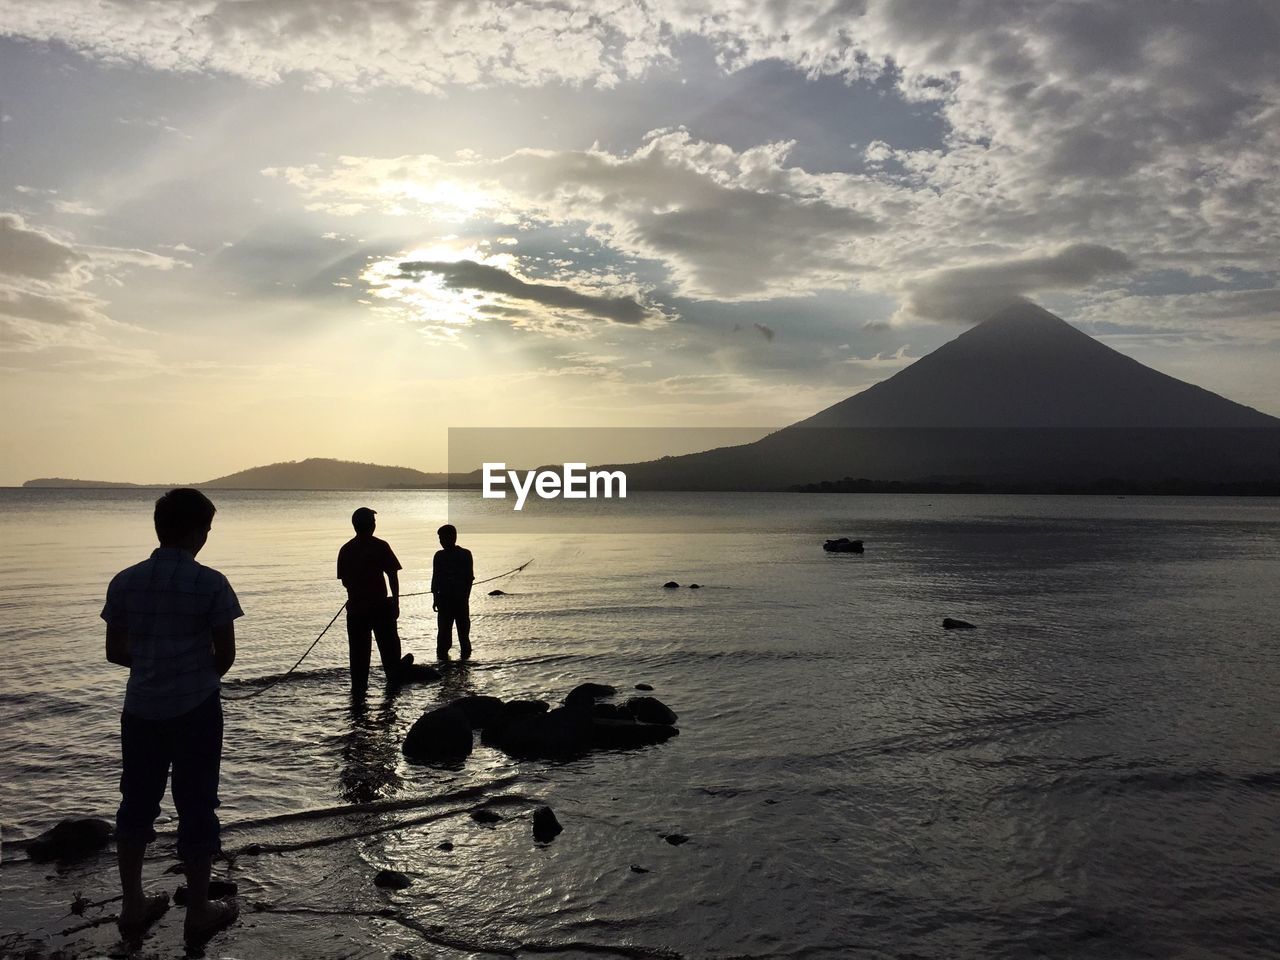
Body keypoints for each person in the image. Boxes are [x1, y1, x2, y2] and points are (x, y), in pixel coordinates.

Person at [102, 488, 240, 946]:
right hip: (196, 708)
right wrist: (195, 675)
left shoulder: (124, 581)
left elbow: (114, 652)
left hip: (140, 708)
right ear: (197, 532)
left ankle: (132, 904)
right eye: (206, 529)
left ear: (160, 528)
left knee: (136, 801)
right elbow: (226, 655)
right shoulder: (211, 583)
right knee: (197, 803)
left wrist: (154, 667)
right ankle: (198, 911)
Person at [337, 507, 403, 693]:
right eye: (374, 522)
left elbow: (345, 582)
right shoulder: (380, 546)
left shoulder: (346, 549)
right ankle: (392, 699)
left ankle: (358, 700)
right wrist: (396, 602)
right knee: (390, 657)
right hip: (380, 608)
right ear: (371, 525)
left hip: (356, 610)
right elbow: (392, 576)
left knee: (358, 660)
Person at [431, 523, 474, 659]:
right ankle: (444, 663)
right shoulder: (439, 556)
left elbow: (469, 579)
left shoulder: (465, 554)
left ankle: (463, 664)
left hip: (459, 601)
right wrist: (435, 598)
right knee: (444, 637)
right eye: (440, 539)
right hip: (445, 601)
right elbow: (435, 579)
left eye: (443, 538)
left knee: (463, 636)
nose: (441, 541)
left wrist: (465, 597)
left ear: (453, 537)